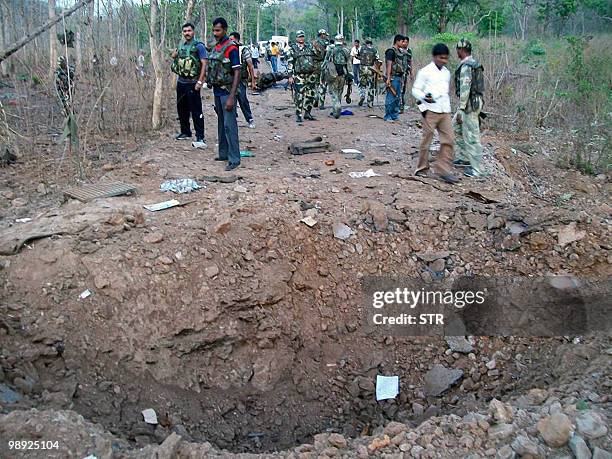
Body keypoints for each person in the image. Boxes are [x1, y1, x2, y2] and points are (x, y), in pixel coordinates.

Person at [411, 43, 458, 184]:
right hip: (429, 110)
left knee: (449, 139)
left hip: (444, 110)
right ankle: (422, 168)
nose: (443, 60)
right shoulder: (425, 72)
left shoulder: (446, 73)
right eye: (441, 58)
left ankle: (443, 169)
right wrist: (424, 97)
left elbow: (445, 92)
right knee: (427, 139)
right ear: (434, 57)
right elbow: (415, 90)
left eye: (446, 58)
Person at [206, 17, 241, 171]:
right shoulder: (216, 46)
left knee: (229, 125)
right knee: (221, 124)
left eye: (218, 30)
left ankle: (234, 159)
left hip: (227, 92)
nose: (215, 33)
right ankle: (223, 153)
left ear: (225, 30)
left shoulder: (231, 47)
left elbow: (237, 71)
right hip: (217, 91)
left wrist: (232, 97)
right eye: (214, 30)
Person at [170, 22, 208, 148]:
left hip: (193, 83)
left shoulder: (199, 46)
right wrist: (174, 56)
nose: (187, 33)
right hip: (181, 82)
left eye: (189, 31)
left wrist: (200, 81)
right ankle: (185, 132)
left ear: (193, 32)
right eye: (185, 31)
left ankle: (200, 136)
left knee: (196, 110)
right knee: (182, 109)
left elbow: (204, 64)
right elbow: (178, 61)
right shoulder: (181, 46)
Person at [453, 39, 485, 177]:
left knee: (472, 137)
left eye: (457, 49)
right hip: (472, 102)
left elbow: (465, 88)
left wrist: (461, 108)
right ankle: (464, 158)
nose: (457, 52)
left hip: (469, 105)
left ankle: (478, 170)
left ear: (461, 50)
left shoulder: (467, 66)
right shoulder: (473, 64)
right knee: (454, 128)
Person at [287, 30, 318, 123]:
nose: (301, 38)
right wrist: (290, 76)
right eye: (299, 37)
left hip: (310, 75)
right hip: (299, 76)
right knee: (299, 96)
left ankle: (307, 113)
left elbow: (318, 56)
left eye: (302, 36)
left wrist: (316, 47)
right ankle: (299, 114)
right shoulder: (293, 49)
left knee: (311, 95)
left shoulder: (310, 47)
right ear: (296, 38)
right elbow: (290, 63)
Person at [229, 31, 256, 129]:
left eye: (232, 39)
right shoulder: (228, 49)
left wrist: (253, 81)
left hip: (240, 79)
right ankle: (232, 120)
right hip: (229, 80)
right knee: (230, 100)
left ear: (236, 39)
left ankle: (249, 119)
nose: (230, 41)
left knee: (242, 99)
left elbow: (250, 66)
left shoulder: (243, 50)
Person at [323, 34, 351, 119]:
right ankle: (335, 109)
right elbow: (348, 63)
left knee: (333, 91)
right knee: (340, 90)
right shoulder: (346, 50)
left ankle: (337, 106)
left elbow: (326, 60)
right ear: (342, 40)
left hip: (333, 73)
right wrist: (349, 74)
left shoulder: (331, 49)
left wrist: (323, 71)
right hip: (343, 73)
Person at [384, 34, 406, 122]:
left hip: (399, 77)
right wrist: (388, 78)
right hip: (393, 77)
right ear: (397, 41)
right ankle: (388, 115)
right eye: (402, 41)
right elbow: (389, 65)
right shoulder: (391, 51)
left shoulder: (400, 52)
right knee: (391, 97)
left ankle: (394, 115)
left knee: (397, 97)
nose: (403, 43)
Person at [356, 38, 380, 108]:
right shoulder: (374, 50)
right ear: (371, 43)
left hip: (362, 68)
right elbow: (377, 60)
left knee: (362, 84)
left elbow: (358, 56)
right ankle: (370, 102)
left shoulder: (362, 49)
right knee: (371, 86)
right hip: (371, 69)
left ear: (366, 43)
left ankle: (362, 95)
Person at [313, 29, 330, 109]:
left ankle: (316, 98)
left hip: (315, 65)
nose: (326, 36)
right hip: (323, 64)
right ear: (322, 35)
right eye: (325, 35)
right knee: (323, 83)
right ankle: (321, 103)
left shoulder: (313, 42)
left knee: (316, 83)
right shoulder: (326, 43)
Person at [399, 36, 413, 114]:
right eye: (404, 42)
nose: (405, 43)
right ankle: (400, 105)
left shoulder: (409, 51)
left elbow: (410, 62)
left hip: (405, 72)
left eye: (407, 42)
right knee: (399, 89)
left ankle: (401, 104)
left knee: (403, 89)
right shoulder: (398, 50)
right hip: (399, 72)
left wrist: (411, 73)